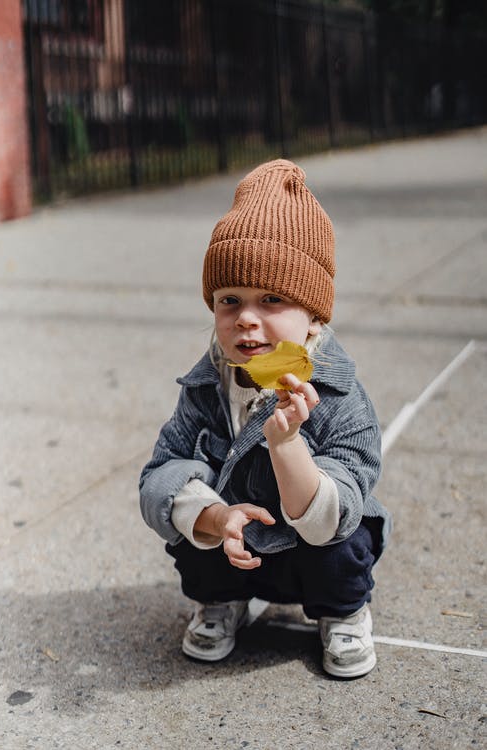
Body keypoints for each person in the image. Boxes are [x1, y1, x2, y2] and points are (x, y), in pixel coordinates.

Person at [139, 159, 391, 678]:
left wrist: (286, 445)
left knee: (348, 541)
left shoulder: (342, 399)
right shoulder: (208, 385)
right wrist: (215, 518)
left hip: (312, 549)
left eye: (272, 299)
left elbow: (332, 515)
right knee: (191, 534)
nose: (247, 318)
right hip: (239, 547)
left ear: (315, 315)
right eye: (230, 300)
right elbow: (158, 476)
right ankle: (225, 600)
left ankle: (343, 613)